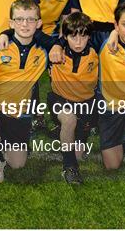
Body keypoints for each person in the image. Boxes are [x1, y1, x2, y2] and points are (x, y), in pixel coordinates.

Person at [50, 2, 125, 184]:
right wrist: (57, 44)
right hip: (108, 107)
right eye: (124, 25)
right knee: (112, 165)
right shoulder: (101, 39)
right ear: (115, 25)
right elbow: (75, 32)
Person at [0, 0, 48, 183]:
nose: (25, 24)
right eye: (20, 19)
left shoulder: (46, 51)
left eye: (31, 19)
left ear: (39, 23)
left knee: (18, 164)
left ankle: (10, 140)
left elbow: (71, 40)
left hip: (19, 113)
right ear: (11, 23)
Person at [48, 12, 99, 185]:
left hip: (86, 104)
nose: (78, 42)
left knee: (79, 153)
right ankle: (69, 168)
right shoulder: (54, 51)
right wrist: (56, 44)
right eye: (73, 36)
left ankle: (62, 132)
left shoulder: (97, 50)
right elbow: (26, 35)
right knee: (69, 120)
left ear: (89, 37)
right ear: (65, 36)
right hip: (60, 100)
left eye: (83, 37)